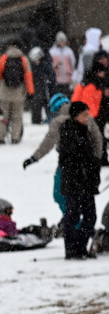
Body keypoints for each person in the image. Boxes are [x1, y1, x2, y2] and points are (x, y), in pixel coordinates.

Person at [58, 102, 100, 259]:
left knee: (90, 217)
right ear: (75, 116)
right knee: (73, 216)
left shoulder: (85, 131)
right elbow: (70, 158)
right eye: (84, 114)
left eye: (88, 114)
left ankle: (81, 246)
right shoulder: (68, 131)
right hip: (74, 184)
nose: (87, 117)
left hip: (86, 184)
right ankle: (71, 249)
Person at [0, 41, 34, 144]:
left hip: (4, 93)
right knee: (17, 117)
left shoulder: (3, 58)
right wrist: (31, 92)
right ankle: (15, 137)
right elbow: (28, 77)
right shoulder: (23, 59)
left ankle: (1, 137)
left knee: (3, 116)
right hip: (18, 94)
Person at [28, 46, 56, 125]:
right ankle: (36, 120)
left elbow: (51, 76)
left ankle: (50, 118)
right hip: (37, 88)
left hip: (45, 87)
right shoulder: (34, 66)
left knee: (47, 102)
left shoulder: (45, 64)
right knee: (36, 104)